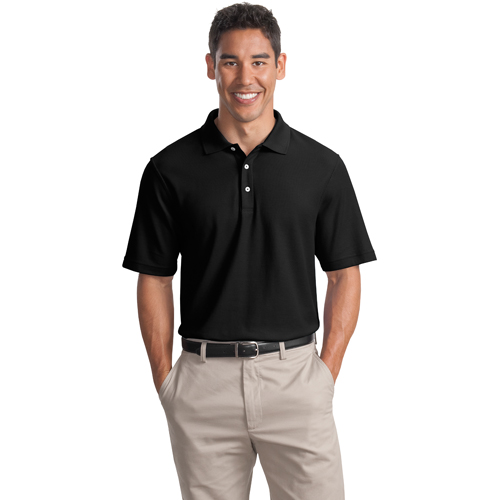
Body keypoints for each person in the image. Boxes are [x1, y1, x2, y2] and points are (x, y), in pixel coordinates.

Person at [122, 2, 377, 499]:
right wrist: (166, 381)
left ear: (280, 66)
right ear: (210, 66)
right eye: (230, 61)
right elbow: (154, 276)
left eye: (259, 61)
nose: (246, 77)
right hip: (203, 385)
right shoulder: (168, 169)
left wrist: (325, 374)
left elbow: (344, 273)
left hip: (296, 381)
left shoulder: (322, 167)